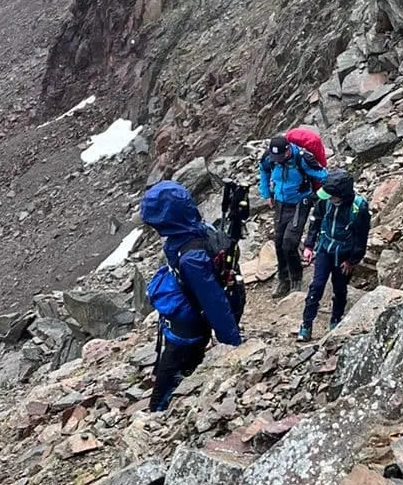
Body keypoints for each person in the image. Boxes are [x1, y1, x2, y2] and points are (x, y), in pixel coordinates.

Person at [140, 181, 244, 411]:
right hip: (190, 317)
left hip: (188, 331)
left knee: (171, 375)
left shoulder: (191, 259)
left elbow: (214, 301)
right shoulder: (200, 230)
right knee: (180, 368)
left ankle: (157, 415)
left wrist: (233, 343)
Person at [299, 170, 371, 340]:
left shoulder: (358, 208)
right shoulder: (325, 201)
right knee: (316, 286)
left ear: (342, 195)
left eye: (332, 195)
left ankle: (336, 320)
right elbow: (315, 221)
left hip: (344, 255)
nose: (328, 197)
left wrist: (352, 260)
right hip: (325, 248)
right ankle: (306, 324)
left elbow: (362, 237)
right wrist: (309, 245)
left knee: (340, 289)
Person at [258, 132, 324, 299]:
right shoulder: (270, 159)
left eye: (280, 156)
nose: (277, 160)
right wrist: (266, 194)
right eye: (275, 157)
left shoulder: (302, 158)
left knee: (290, 242)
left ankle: (296, 278)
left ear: (287, 150)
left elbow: (322, 175)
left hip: (299, 203)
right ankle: (283, 279)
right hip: (280, 203)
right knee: (279, 242)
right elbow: (264, 172)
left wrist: (322, 195)